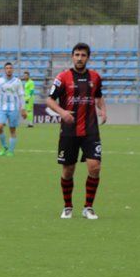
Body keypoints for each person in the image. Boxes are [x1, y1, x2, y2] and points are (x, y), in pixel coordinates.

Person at [45, 43, 107, 220]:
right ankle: (68, 206)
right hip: (69, 131)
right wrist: (63, 112)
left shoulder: (95, 77)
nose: (80, 58)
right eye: (77, 55)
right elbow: (49, 100)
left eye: (83, 55)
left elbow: (99, 96)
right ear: (72, 57)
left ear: (88, 57)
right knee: (68, 171)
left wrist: (103, 109)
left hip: (91, 130)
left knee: (95, 167)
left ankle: (88, 207)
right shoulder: (63, 77)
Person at [0, 62, 27, 157]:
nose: (9, 69)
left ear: (13, 70)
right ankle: (4, 146)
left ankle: (11, 150)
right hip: (2, 107)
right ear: (4, 70)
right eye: (7, 68)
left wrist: (23, 109)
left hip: (14, 108)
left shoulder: (17, 81)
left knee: (12, 130)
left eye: (10, 68)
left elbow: (21, 95)